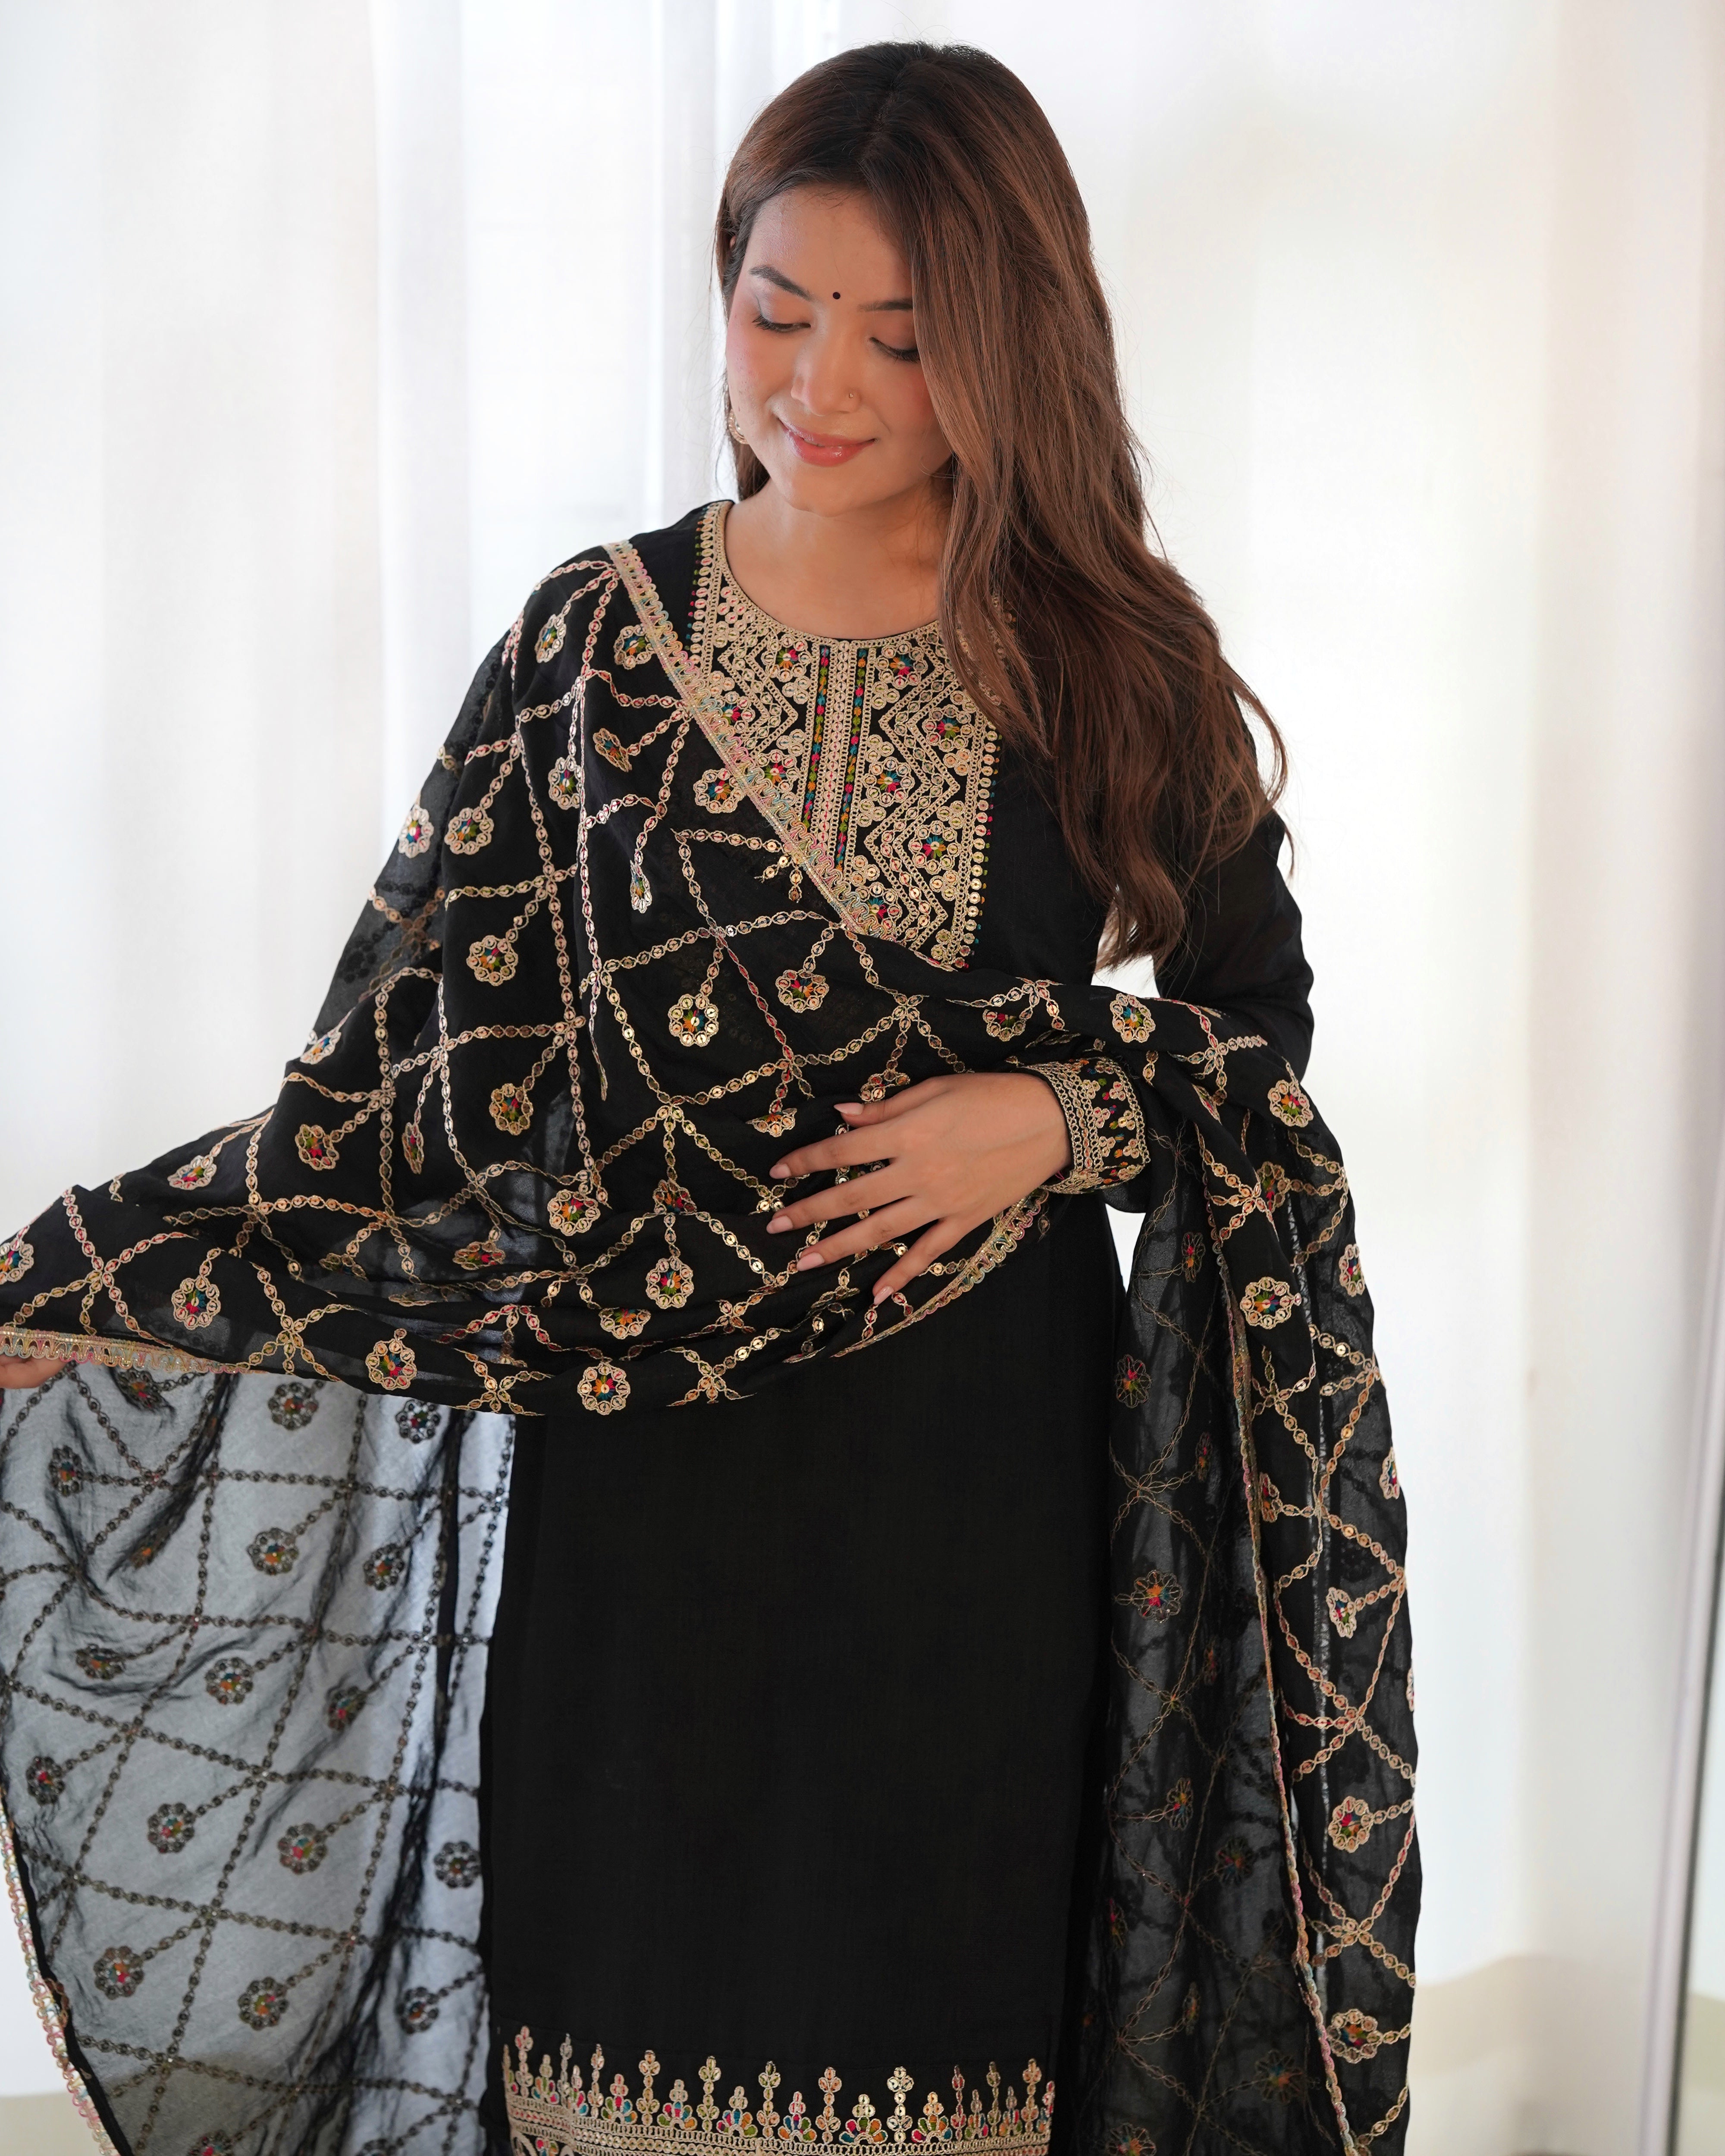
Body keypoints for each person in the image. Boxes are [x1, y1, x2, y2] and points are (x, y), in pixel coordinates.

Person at [0, 43, 1414, 2156]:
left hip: (975, 1509)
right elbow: (389, 1102)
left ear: (1006, 342)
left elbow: (1257, 1035)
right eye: (778, 309)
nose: (819, 384)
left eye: (902, 335)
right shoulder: (589, 648)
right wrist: (93, 1276)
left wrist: (1054, 1116)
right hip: (647, 1524)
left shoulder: (1097, 656)